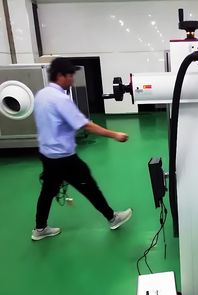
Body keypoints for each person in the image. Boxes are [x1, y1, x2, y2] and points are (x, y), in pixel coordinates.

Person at [32, 57, 132, 241]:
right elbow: (85, 125)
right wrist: (115, 135)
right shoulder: (61, 99)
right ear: (60, 75)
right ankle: (112, 218)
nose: (72, 80)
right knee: (90, 187)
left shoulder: (41, 95)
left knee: (47, 192)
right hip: (64, 158)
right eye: (70, 76)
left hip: (47, 155)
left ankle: (40, 228)